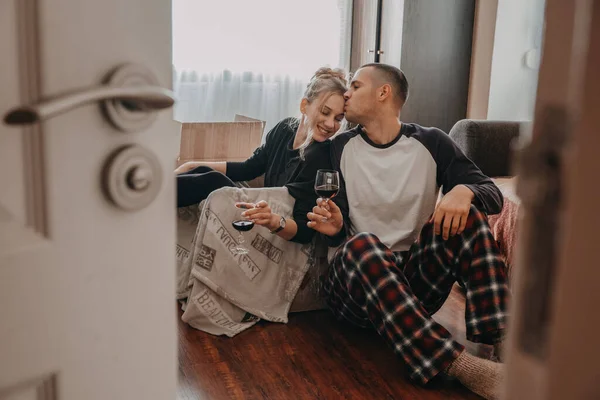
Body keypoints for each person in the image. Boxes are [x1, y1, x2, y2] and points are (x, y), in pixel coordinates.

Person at [306, 63, 509, 400]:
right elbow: (337, 232)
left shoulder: (432, 142)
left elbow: (492, 193)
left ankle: (502, 345)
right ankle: (462, 367)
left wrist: (463, 191)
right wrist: (337, 228)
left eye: (355, 86)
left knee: (471, 217)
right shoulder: (337, 148)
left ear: (383, 93)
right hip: (353, 287)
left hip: (412, 285)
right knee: (363, 246)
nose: (347, 93)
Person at [176, 67, 347, 244]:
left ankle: (152, 196)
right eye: (325, 112)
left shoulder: (320, 155)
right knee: (205, 171)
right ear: (304, 105)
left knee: (213, 181)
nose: (330, 124)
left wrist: (274, 221)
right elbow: (248, 169)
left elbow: (305, 231)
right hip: (259, 211)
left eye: (338, 118)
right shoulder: (285, 129)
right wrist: (192, 165)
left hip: (272, 228)